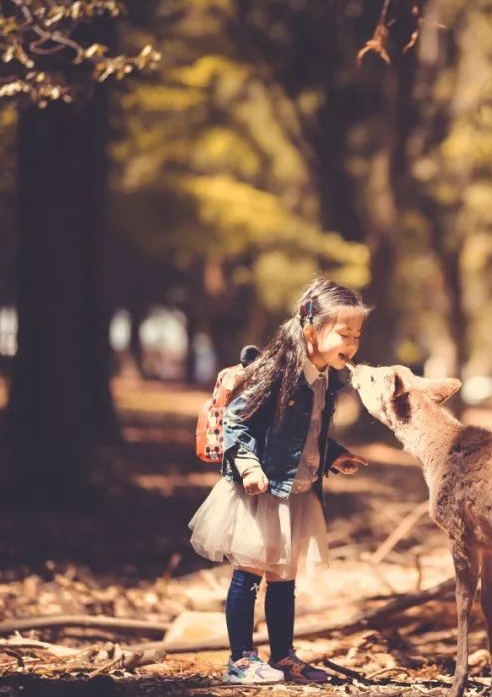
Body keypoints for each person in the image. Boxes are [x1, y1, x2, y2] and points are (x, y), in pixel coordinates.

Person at [188, 277, 370, 684]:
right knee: (249, 572)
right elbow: (239, 421)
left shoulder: (327, 377)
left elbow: (310, 430)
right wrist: (249, 465)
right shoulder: (278, 369)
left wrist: (335, 455)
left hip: (297, 491)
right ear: (311, 328)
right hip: (261, 490)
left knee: (284, 579)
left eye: (357, 334)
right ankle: (240, 658)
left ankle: (283, 655)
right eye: (344, 333)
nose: (353, 343)